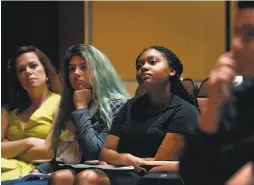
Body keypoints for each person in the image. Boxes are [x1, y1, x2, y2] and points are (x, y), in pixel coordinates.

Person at [73, 45, 200, 185]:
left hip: (157, 178)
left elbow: (159, 162)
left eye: (152, 62)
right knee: (66, 177)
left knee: (87, 178)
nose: (144, 68)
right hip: (126, 171)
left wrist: (116, 159)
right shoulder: (129, 106)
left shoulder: (184, 110)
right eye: (139, 65)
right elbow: (105, 151)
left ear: (172, 70)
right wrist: (127, 159)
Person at [180, 1, 254, 185]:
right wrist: (213, 106)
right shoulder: (237, 98)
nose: (235, 44)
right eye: (236, 33)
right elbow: (192, 175)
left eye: (250, 34)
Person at [32, 44, 129, 185]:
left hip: (113, 169)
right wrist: (40, 170)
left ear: (100, 71)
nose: (76, 73)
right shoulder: (69, 106)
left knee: (85, 178)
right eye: (72, 69)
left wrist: (81, 108)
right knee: (58, 177)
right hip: (82, 169)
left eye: (83, 67)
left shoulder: (118, 105)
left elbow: (95, 154)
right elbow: (67, 155)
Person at [1, 46, 62, 181]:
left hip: (39, 173)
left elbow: (50, 152)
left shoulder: (60, 104)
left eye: (33, 66)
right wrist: (30, 142)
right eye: (21, 70)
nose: (28, 72)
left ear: (45, 70)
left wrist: (10, 149)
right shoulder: (7, 110)